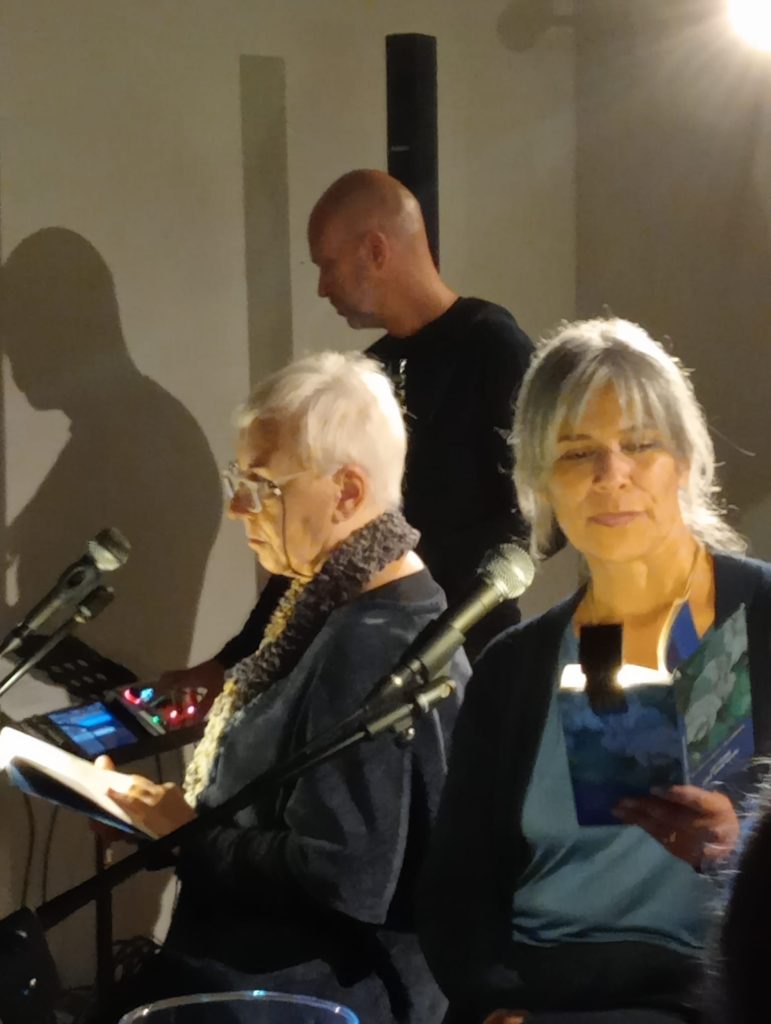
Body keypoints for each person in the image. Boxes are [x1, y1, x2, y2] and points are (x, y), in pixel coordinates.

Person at [94, 351, 469, 1024]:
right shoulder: (339, 609)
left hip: (303, 1003)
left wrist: (190, 835)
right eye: (237, 478)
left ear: (347, 492)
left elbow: (343, 876)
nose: (237, 507)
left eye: (261, 485)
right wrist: (165, 822)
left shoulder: (373, 642)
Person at [418, 318, 771, 1023]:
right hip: (531, 994)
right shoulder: (514, 667)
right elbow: (456, 891)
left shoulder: (759, 615)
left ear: (684, 459)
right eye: (577, 453)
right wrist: (496, 1004)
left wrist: (742, 849)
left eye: (639, 445)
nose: (612, 475)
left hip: (708, 993)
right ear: (541, 482)